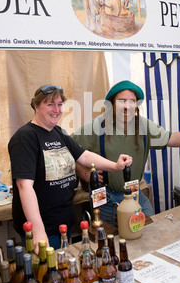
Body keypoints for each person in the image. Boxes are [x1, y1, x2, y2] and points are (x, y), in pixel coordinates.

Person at [72, 80, 180, 225]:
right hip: (107, 198)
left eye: (132, 101)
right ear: (111, 104)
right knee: (113, 241)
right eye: (122, 101)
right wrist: (85, 174)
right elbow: (68, 151)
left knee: (149, 230)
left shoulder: (143, 125)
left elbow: (172, 139)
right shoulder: (96, 127)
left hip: (135, 193)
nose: (127, 106)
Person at [8, 84, 132, 251]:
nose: (57, 109)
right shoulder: (25, 137)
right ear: (36, 106)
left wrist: (115, 166)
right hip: (44, 228)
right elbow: (24, 186)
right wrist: (37, 230)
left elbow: (85, 156)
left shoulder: (59, 132)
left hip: (63, 223)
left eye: (60, 104)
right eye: (50, 104)